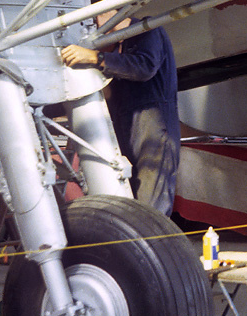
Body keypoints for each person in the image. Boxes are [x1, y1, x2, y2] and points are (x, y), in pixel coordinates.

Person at [61, 26, 180, 216]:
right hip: (122, 125)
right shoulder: (113, 45)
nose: (94, 25)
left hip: (151, 126)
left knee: (150, 206)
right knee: (124, 205)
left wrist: (96, 57)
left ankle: (150, 243)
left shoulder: (147, 30)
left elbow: (145, 66)